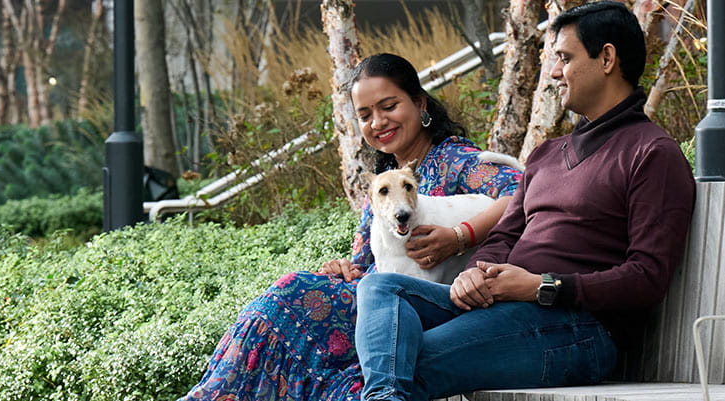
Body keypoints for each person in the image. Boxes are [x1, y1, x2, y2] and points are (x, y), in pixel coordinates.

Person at [352, 3, 697, 400]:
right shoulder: (547, 155)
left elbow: (647, 277)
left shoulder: (651, 153)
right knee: (380, 289)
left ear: (606, 58)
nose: (552, 72)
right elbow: (504, 236)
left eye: (564, 58)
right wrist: (477, 273)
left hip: (579, 328)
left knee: (404, 364)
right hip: (502, 308)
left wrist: (542, 287)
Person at [179, 53, 523, 401]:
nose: (378, 122)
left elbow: (523, 192)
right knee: (279, 306)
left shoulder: (454, 159)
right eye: (364, 115)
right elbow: (364, 265)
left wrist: (459, 236)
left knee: (286, 299)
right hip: (375, 302)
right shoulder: (382, 184)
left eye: (388, 106)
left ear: (419, 103)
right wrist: (345, 269)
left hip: (422, 307)